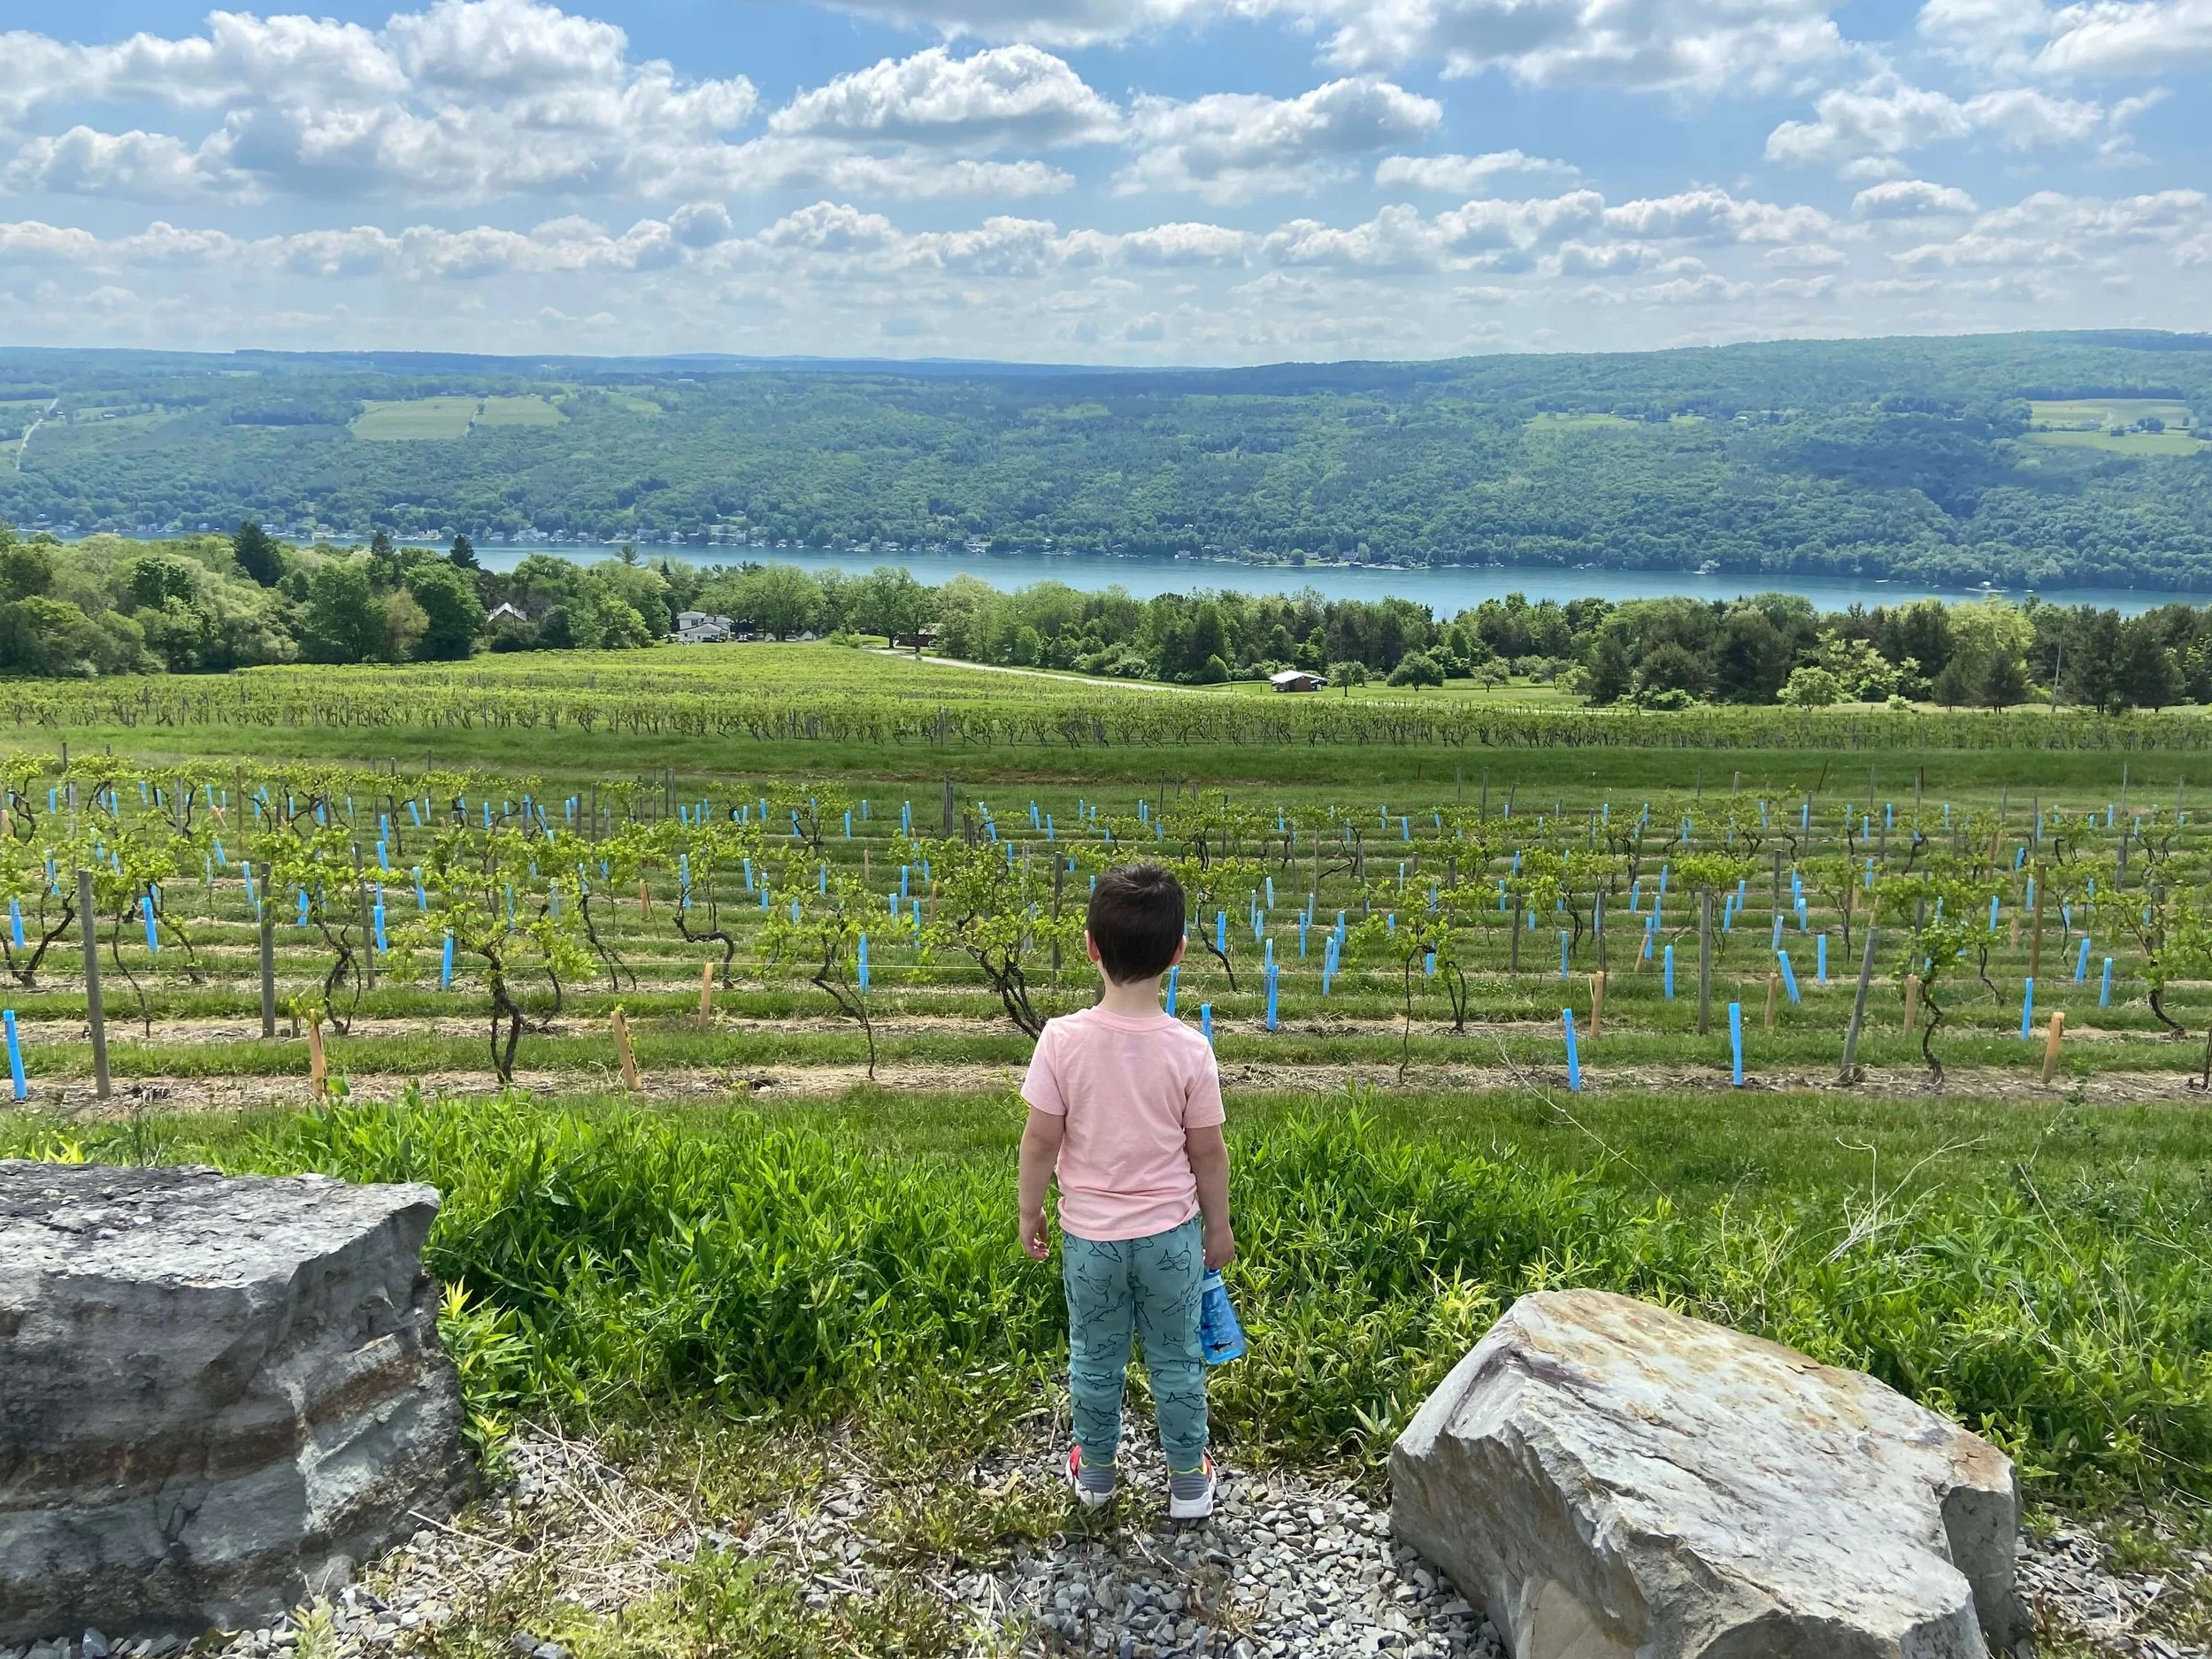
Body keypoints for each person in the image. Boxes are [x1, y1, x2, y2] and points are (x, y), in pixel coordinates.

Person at [1018, 861, 1233, 1519]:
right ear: (1179, 952)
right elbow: (1208, 1151)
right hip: (1170, 1237)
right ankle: (1189, 1483)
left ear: (1089, 945)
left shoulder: (1061, 1040)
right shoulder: (1190, 1048)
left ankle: (1097, 1476)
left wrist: (1031, 1210)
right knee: (1176, 1357)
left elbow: (1039, 1140)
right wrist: (1217, 1228)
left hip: (1091, 1240)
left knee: (1096, 1356)